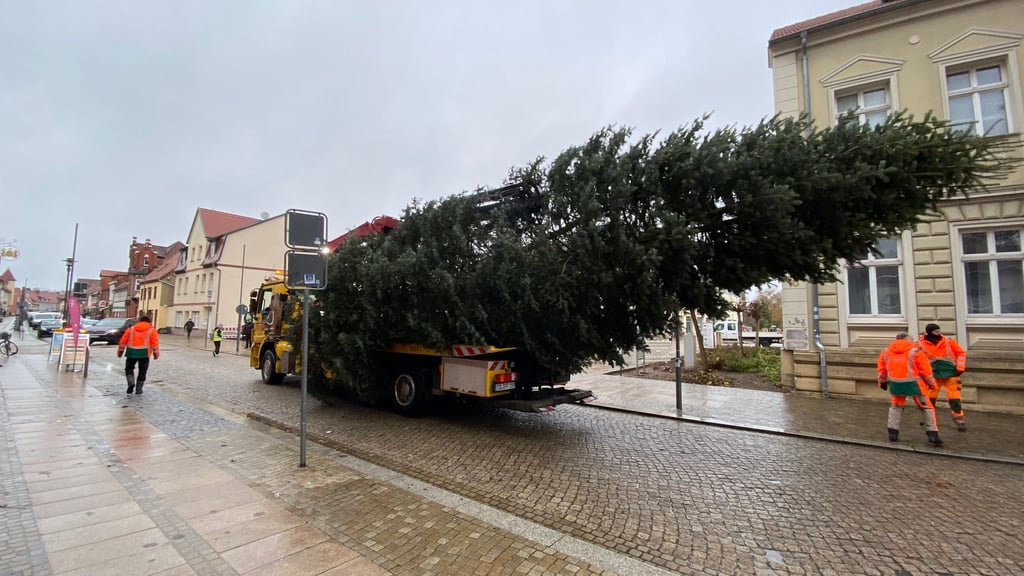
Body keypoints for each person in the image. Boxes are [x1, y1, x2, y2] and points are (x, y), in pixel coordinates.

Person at [877, 331, 943, 446]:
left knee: (895, 408)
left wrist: (882, 382)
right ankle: (932, 434)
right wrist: (933, 385)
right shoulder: (916, 352)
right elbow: (926, 372)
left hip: (896, 384)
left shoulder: (886, 352)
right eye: (911, 340)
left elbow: (882, 370)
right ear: (907, 340)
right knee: (927, 408)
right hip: (916, 385)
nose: (913, 342)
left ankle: (893, 433)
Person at [918, 323, 968, 431]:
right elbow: (915, 357)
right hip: (934, 375)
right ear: (929, 332)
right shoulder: (920, 344)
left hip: (952, 373)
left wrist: (960, 368)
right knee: (930, 398)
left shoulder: (948, 341)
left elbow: (961, 354)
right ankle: (928, 419)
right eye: (936, 332)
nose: (939, 333)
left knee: (954, 398)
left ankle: (959, 420)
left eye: (939, 331)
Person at [117, 315, 160, 395]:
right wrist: (156, 354)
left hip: (131, 352)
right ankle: (139, 389)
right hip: (144, 354)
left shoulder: (131, 329)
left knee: (129, 369)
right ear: (149, 322)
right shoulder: (151, 330)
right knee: (142, 371)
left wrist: (120, 352)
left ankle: (131, 383)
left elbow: (123, 341)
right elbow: (155, 344)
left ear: (139, 321)